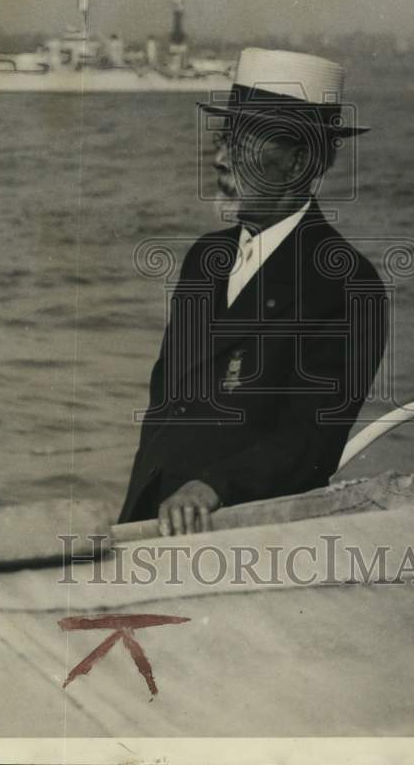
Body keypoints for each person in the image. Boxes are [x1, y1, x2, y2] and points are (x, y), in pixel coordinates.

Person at [118, 48, 387, 535]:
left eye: (242, 143)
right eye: (224, 138)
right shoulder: (205, 257)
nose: (220, 158)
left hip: (249, 531)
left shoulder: (346, 282)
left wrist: (212, 487)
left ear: (299, 160)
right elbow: (165, 408)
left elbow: (312, 442)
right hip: (153, 520)